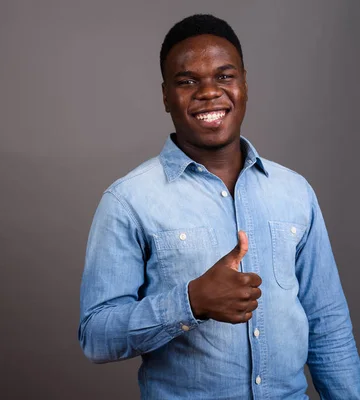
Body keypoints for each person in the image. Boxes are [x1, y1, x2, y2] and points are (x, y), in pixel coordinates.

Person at [78, 14, 360, 399]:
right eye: (188, 81)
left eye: (224, 76)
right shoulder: (128, 201)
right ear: (165, 96)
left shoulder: (295, 192)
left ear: (244, 83)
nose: (209, 92)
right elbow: (96, 335)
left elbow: (327, 325)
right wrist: (190, 302)